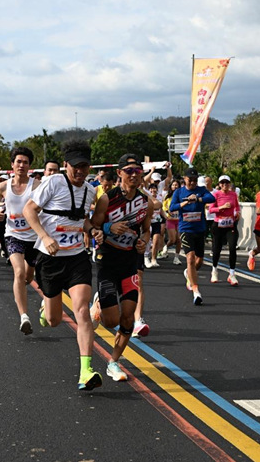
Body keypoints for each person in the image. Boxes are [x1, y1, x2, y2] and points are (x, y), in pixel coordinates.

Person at [23, 139, 104, 391]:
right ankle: (45, 311)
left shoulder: (90, 190)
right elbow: (29, 210)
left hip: (77, 257)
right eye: (75, 167)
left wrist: (94, 230)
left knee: (82, 312)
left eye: (85, 167)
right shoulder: (53, 182)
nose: (80, 172)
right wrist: (45, 237)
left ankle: (86, 371)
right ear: (66, 165)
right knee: (54, 319)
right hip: (50, 259)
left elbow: (83, 221)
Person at [90, 153, 152, 381]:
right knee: (111, 321)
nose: (134, 175)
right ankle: (98, 303)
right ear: (119, 173)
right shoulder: (107, 199)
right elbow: (93, 226)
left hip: (129, 262)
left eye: (138, 171)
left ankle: (113, 361)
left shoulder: (145, 202)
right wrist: (108, 228)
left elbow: (147, 229)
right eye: (129, 171)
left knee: (128, 318)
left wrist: (144, 241)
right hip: (107, 260)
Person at [0, 147, 41, 333]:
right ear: (12, 165)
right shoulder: (3, 186)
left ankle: (25, 288)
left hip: (34, 238)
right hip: (13, 235)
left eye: (25, 162)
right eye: (18, 161)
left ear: (29, 165)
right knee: (19, 273)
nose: (21, 165)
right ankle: (24, 316)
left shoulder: (36, 186)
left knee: (28, 277)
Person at [169, 167, 216, 305]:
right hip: (185, 229)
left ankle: (189, 273)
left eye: (195, 180)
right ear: (185, 179)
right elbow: (172, 207)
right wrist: (185, 202)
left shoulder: (200, 190)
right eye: (190, 180)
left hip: (199, 229)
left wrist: (198, 199)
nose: (193, 182)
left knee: (199, 260)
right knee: (190, 258)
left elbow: (211, 198)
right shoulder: (179, 192)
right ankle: (196, 291)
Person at [208, 175, 240, 285]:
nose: (225, 185)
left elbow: (237, 207)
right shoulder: (216, 194)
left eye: (227, 183)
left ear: (230, 184)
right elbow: (211, 209)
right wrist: (221, 208)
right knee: (217, 249)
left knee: (232, 248)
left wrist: (237, 213)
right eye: (222, 183)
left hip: (230, 225)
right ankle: (214, 270)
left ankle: (232, 274)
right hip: (218, 225)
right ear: (219, 184)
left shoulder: (233, 194)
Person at [163, 179, 182, 265]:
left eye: (176, 185)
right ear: (171, 186)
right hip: (170, 220)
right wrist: (167, 211)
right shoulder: (168, 196)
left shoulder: (181, 196)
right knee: (172, 239)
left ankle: (176, 258)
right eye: (173, 185)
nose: (175, 186)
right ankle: (165, 247)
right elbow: (163, 207)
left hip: (179, 220)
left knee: (179, 239)